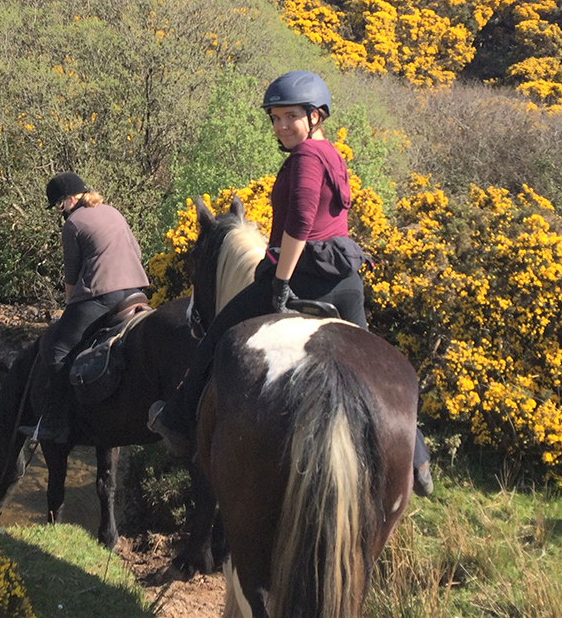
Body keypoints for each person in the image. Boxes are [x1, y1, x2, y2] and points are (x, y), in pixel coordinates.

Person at [147, 70, 434, 496]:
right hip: (344, 278)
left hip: (302, 276)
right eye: (276, 118)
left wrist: (281, 283)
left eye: (291, 117)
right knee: (373, 361)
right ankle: (417, 456)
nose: (281, 127)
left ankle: (176, 421)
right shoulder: (332, 155)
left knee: (218, 335)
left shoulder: (303, 159)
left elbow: (299, 223)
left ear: (315, 116)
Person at [21, 171, 151, 445]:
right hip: (137, 290)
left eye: (58, 206)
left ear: (68, 200)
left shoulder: (73, 224)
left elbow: (72, 275)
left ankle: (55, 423)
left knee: (57, 348)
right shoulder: (113, 212)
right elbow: (136, 252)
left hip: (102, 295)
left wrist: (70, 307)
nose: (60, 211)